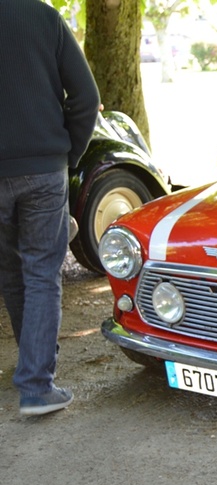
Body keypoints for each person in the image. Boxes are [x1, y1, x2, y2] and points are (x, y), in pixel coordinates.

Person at [0, 0, 101, 415]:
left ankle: (32, 364)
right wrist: (70, 155)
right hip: (43, 169)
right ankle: (36, 384)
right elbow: (86, 97)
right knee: (42, 272)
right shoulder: (41, 16)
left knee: (11, 270)